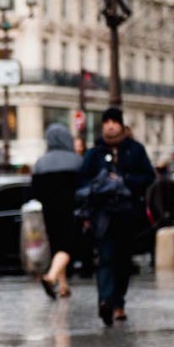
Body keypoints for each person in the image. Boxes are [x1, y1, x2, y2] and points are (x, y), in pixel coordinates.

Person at [79, 107, 155, 325]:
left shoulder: (134, 149)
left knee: (122, 260)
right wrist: (101, 183)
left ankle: (118, 302)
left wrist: (125, 180)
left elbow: (148, 176)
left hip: (127, 214)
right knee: (105, 258)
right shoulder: (95, 153)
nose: (110, 126)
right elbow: (82, 180)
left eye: (114, 122)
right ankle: (105, 301)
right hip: (102, 214)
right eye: (106, 122)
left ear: (121, 125)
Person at [33, 123, 85, 299]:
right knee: (68, 247)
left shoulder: (41, 163)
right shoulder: (77, 161)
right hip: (71, 210)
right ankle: (51, 277)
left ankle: (63, 286)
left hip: (49, 211)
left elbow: (34, 191)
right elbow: (84, 187)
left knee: (56, 246)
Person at [146, 161, 174, 229]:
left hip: (158, 217)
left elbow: (149, 201)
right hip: (170, 216)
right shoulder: (172, 183)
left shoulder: (154, 184)